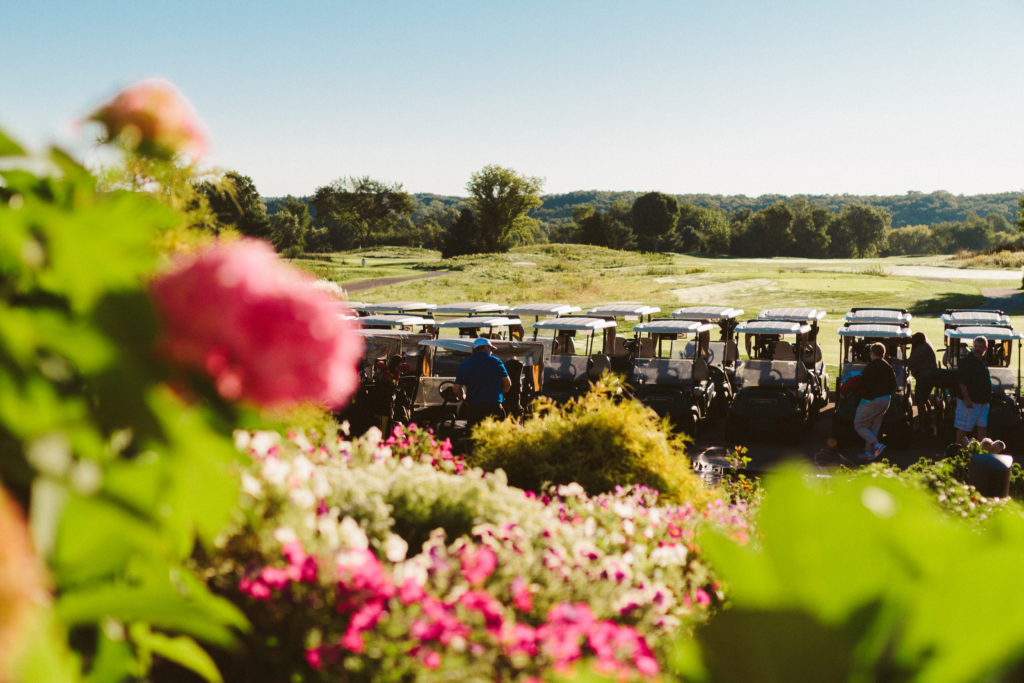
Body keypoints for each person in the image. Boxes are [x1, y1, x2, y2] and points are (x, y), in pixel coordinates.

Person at [453, 338, 511, 425]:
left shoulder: (465, 364)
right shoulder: (496, 362)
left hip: (474, 409)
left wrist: (464, 399)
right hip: (494, 407)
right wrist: (497, 394)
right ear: (484, 348)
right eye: (491, 349)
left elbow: (456, 389)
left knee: (475, 436)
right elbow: (508, 384)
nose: (492, 352)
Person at [855, 342, 897, 461]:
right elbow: (893, 385)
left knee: (859, 425)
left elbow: (864, 383)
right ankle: (868, 452)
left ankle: (876, 445)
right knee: (873, 426)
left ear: (872, 353)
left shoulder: (871, 366)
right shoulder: (888, 367)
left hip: (872, 400)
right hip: (885, 400)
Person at [955, 335, 992, 443]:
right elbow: (962, 383)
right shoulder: (967, 362)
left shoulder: (983, 362)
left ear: (985, 348)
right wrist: (967, 399)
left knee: (982, 429)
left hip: (983, 402)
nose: (977, 349)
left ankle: (982, 453)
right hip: (970, 403)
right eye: (976, 346)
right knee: (963, 428)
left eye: (981, 346)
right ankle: (958, 451)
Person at [907, 332, 938, 434]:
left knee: (920, 401)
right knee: (924, 398)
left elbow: (909, 362)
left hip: (925, 378)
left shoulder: (922, 349)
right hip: (928, 377)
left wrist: (893, 360)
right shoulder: (925, 345)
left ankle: (922, 426)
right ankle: (928, 421)